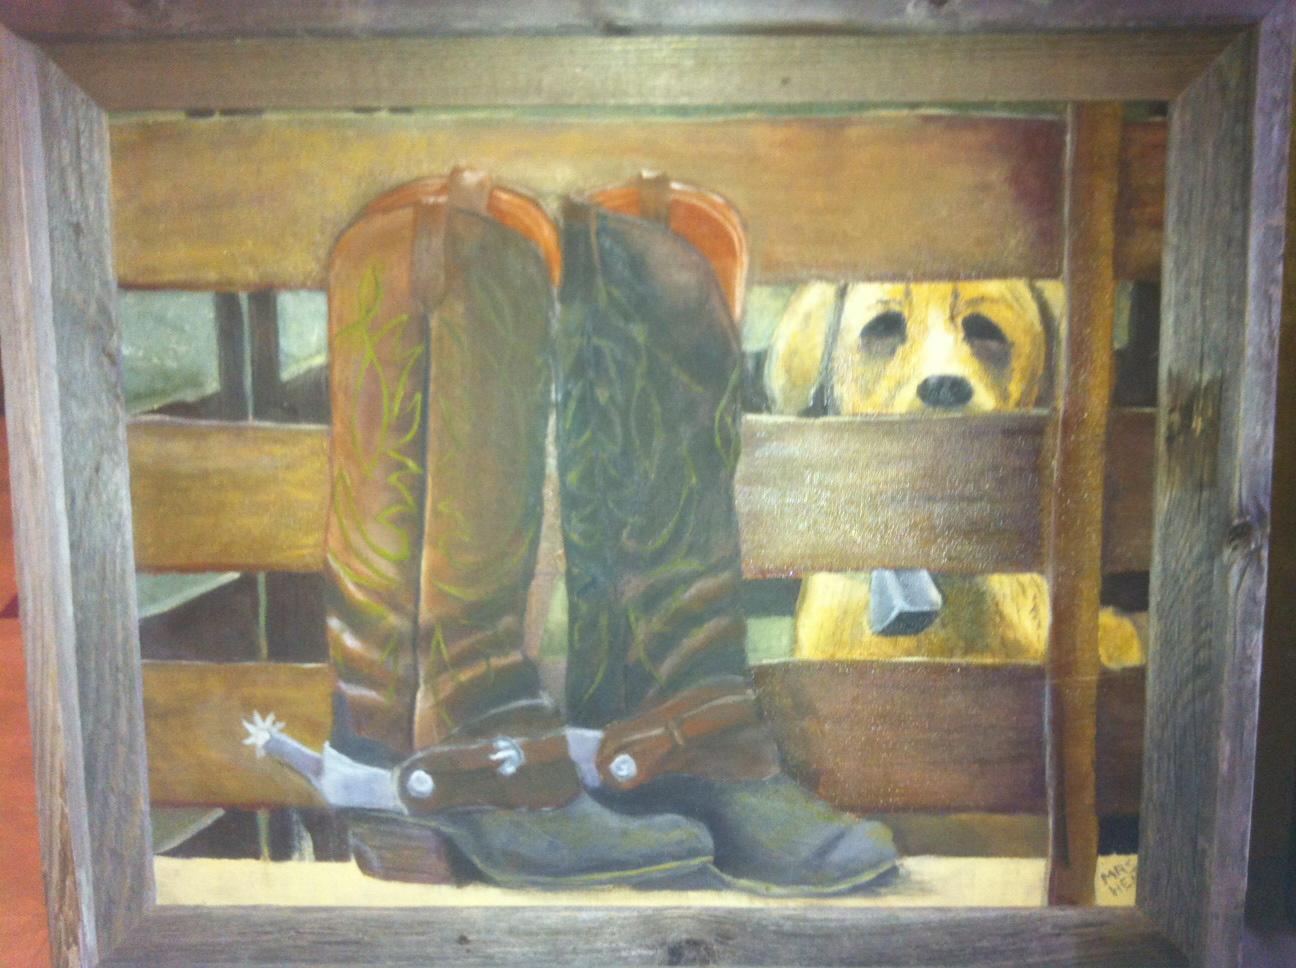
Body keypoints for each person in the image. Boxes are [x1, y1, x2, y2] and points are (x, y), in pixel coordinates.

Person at [249, 168, 896, 895]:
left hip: (561, 747)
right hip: (465, 753)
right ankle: (431, 753)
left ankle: (646, 738)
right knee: (482, 272)